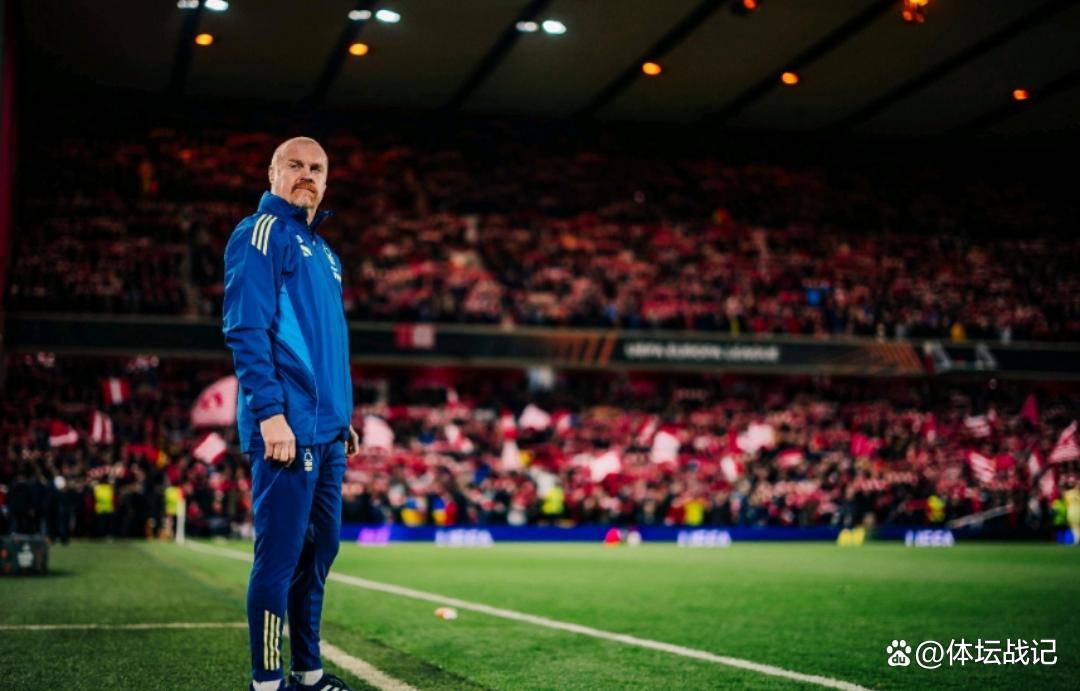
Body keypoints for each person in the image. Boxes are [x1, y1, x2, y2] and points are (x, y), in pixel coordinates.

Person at [223, 136, 360, 691]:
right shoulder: (260, 233)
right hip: (286, 428)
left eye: (317, 168)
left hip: (327, 432)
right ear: (273, 173)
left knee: (320, 551)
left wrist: (343, 416)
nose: (307, 175)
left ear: (326, 181)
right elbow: (245, 329)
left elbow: (330, 343)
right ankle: (267, 681)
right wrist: (269, 414)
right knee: (279, 559)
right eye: (296, 165)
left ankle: (308, 673)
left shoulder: (326, 254)